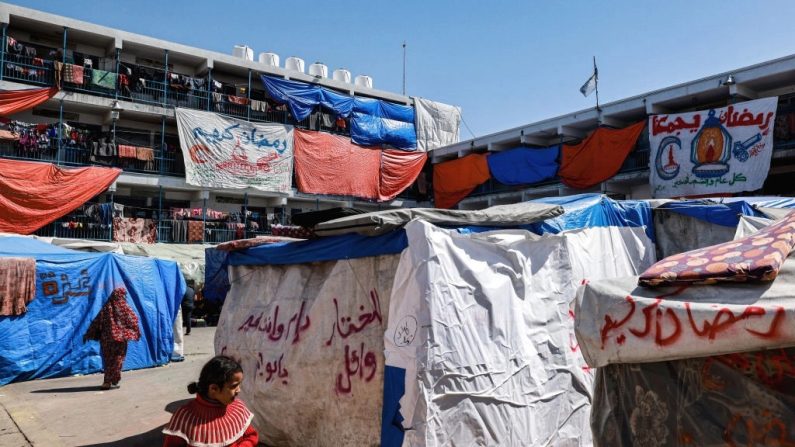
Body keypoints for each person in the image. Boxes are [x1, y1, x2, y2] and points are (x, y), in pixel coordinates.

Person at [162, 356, 259, 447]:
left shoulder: (238, 409)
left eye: (239, 385)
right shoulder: (185, 417)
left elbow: (251, 436)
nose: (239, 390)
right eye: (234, 386)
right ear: (214, 389)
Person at [83, 286, 141, 390]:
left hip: (106, 341)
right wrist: (132, 332)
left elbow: (96, 322)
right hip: (120, 340)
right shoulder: (125, 308)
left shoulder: (106, 308)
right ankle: (114, 379)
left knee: (108, 361)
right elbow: (134, 320)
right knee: (118, 360)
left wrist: (89, 333)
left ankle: (107, 381)